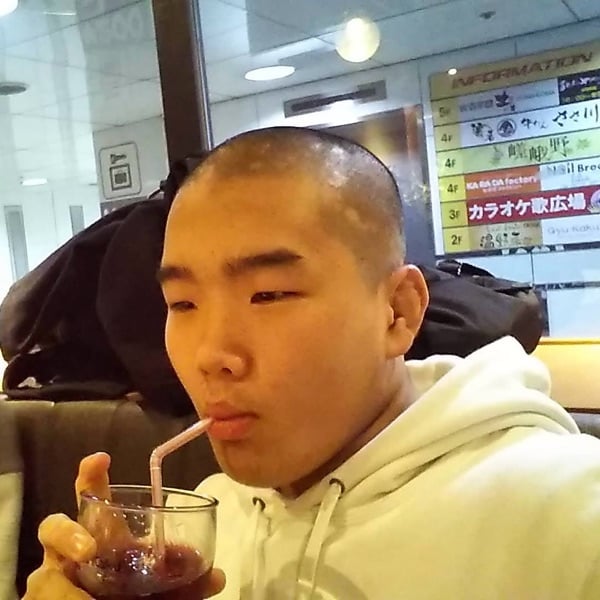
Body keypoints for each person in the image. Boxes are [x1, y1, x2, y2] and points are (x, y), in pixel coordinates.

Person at [24, 127, 600, 599]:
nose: (211, 355)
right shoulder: (209, 525)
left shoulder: (570, 514)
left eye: (269, 295)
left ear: (397, 312)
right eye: (182, 304)